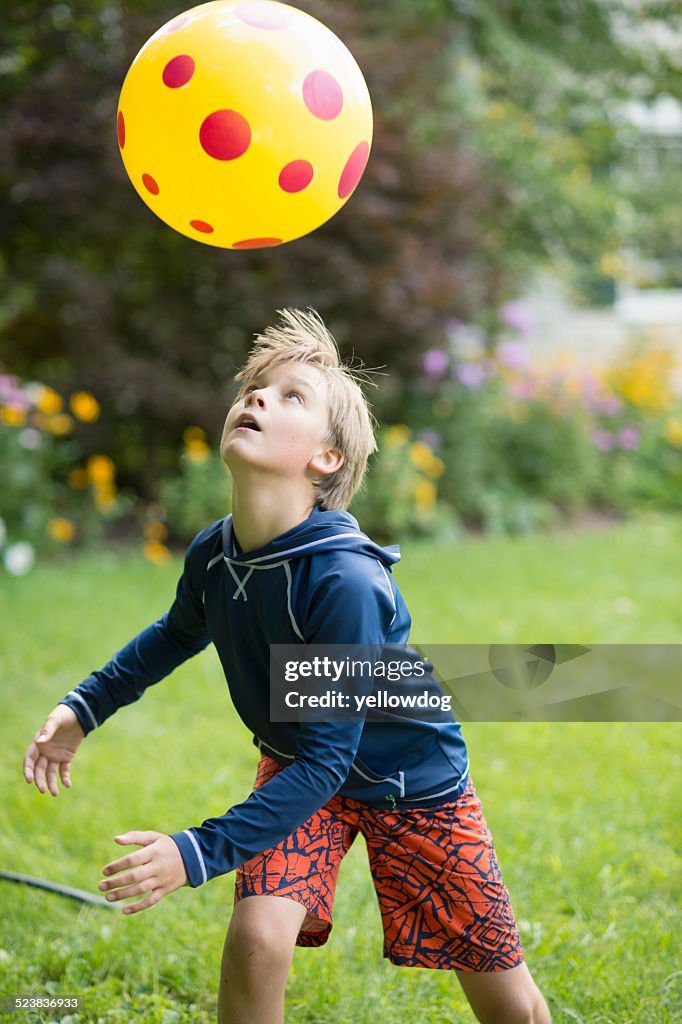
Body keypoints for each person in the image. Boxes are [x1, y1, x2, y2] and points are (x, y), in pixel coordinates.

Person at [24, 308, 551, 1024]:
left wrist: (195, 851)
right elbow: (174, 635)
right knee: (256, 938)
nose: (258, 398)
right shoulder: (216, 553)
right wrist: (83, 708)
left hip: (412, 783)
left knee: (503, 994)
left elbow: (331, 759)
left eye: (290, 395)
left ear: (326, 458)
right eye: (254, 390)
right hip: (301, 764)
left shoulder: (343, 581)